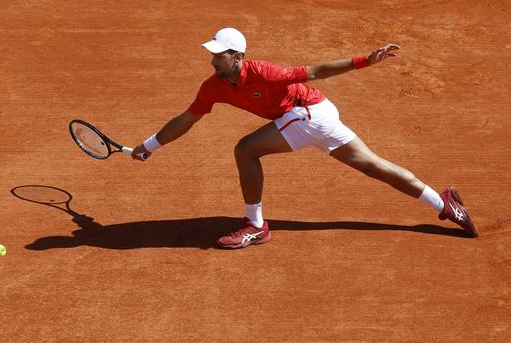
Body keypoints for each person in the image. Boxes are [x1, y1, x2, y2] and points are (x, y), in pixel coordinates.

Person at [131, 27, 479, 249]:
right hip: (312, 117)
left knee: (246, 150)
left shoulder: (265, 73)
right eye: (212, 54)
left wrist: (366, 61)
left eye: (218, 55)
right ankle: (444, 203)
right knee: (372, 166)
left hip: (307, 113)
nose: (212, 60)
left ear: (237, 57)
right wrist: (149, 146)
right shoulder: (213, 86)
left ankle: (255, 226)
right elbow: (186, 119)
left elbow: (317, 71)